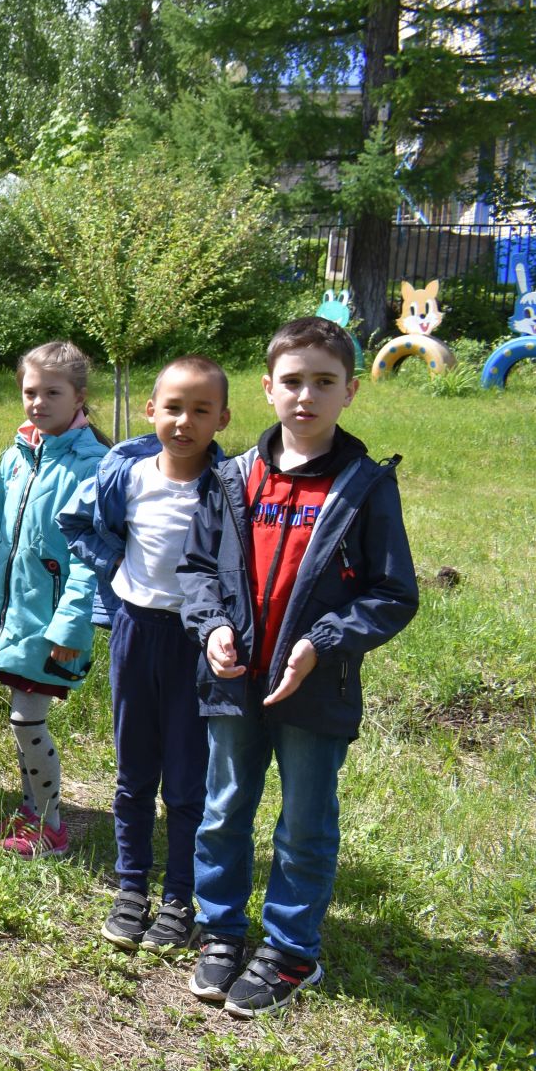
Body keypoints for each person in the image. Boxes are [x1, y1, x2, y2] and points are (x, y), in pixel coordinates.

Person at [180, 317, 417, 1017]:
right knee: (222, 809)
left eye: (323, 382)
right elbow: (197, 571)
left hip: (317, 689)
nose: (305, 396)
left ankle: (290, 949)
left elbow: (393, 594)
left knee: (304, 821)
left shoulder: (365, 487)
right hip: (232, 683)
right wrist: (213, 626)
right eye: (292, 382)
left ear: (350, 392)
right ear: (266, 388)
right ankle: (221, 930)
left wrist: (324, 641)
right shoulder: (231, 477)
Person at [60, 356, 231, 955]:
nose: (185, 421)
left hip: (197, 640)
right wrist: (113, 574)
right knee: (134, 772)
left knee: (187, 779)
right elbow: (81, 523)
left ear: (222, 418)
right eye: (174, 407)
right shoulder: (125, 475)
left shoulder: (229, 486)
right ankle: (131, 886)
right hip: (135, 630)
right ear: (151, 411)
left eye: (201, 410)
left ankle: (179, 896)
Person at [0, 341, 110, 859]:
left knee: (27, 718)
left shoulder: (92, 464)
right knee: (21, 714)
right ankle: (33, 810)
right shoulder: (14, 457)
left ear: (79, 396)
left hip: (51, 621)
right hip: (12, 616)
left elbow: (90, 558)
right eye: (30, 391)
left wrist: (72, 627)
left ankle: (50, 824)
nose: (38, 402)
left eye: (52, 392)